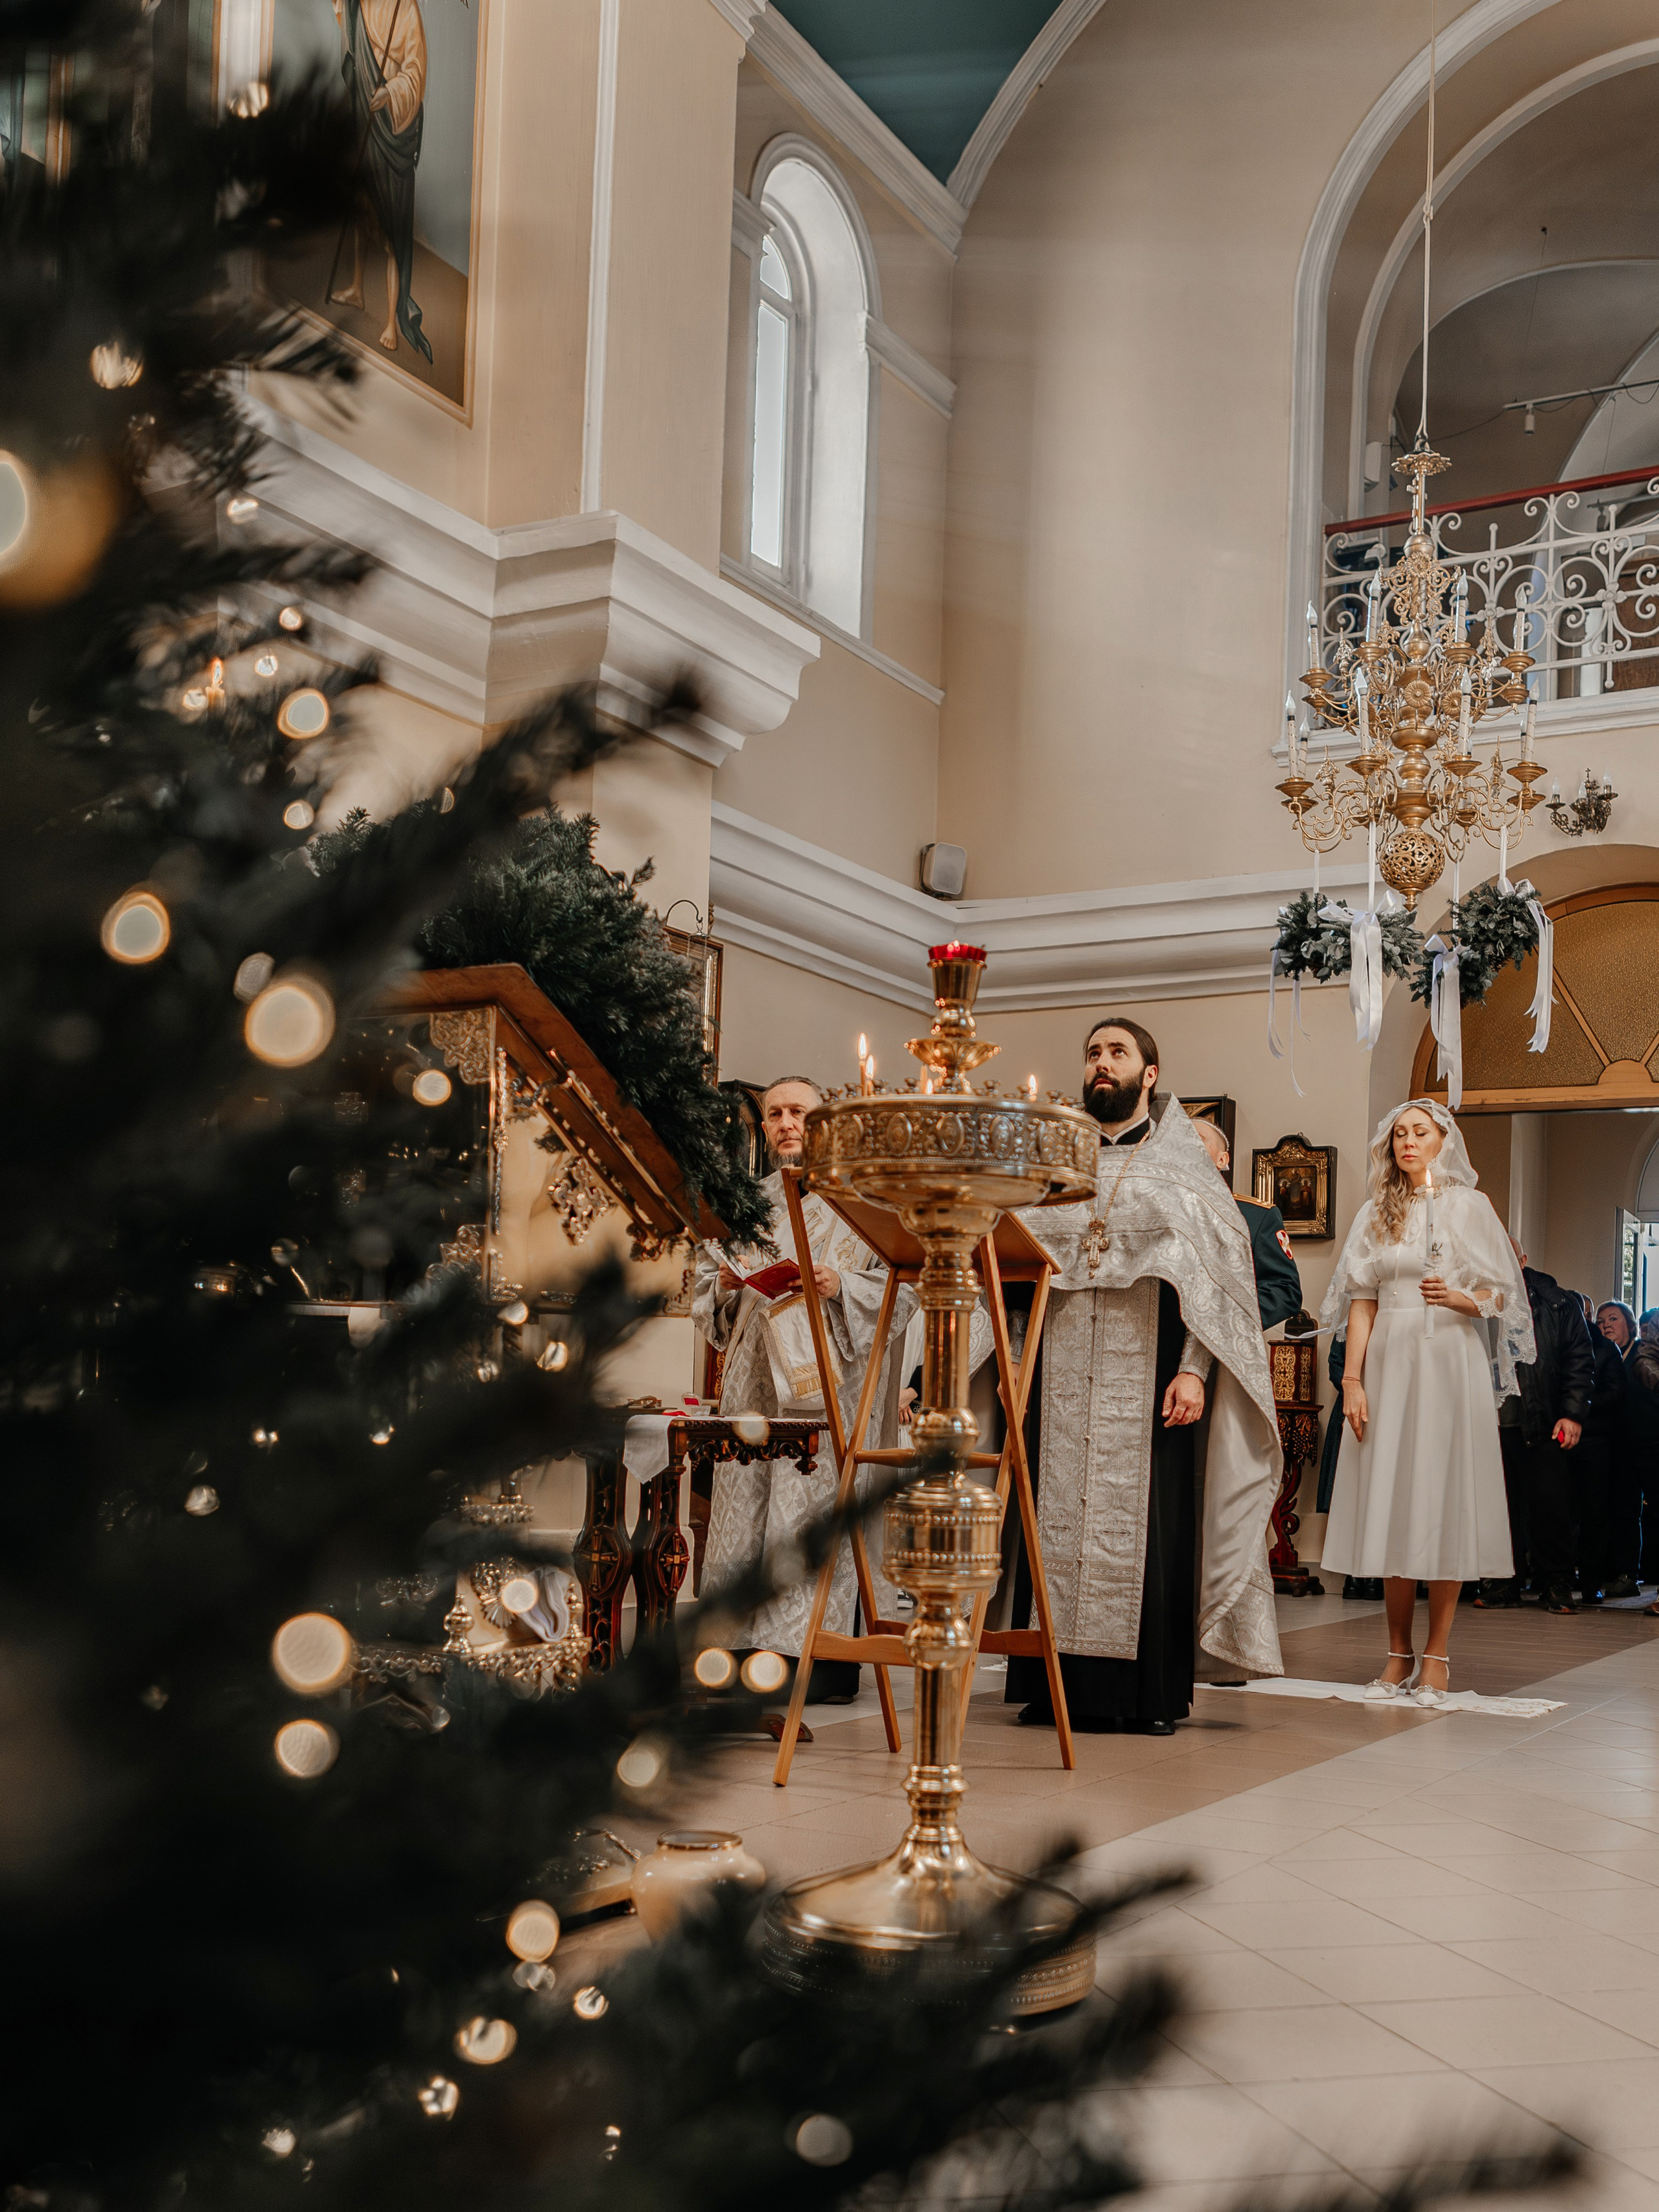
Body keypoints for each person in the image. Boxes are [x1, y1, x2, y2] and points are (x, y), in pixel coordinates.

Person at [1006, 1018, 1283, 1736]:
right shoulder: (1054, 1165)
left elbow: (1216, 1286)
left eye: (1117, 1052)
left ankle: (1146, 1696)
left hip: (1153, 1371)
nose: (1102, 1063)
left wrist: (1194, 1372)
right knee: (1049, 1523)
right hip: (1059, 1374)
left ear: (1149, 1074)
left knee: (1151, 1529)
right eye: (1093, 1053)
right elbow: (1013, 1267)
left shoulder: (1185, 1168)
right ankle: (1051, 1687)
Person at [693, 1077, 910, 1715]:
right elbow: (705, 1294)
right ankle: (730, 1651)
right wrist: (730, 1283)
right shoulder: (746, 1205)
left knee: (803, 1518)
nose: (786, 1122)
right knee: (744, 1516)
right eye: (775, 1114)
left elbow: (904, 1288)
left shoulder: (865, 1199)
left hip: (826, 1391)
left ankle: (809, 1656)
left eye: (799, 1112)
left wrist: (839, 1281)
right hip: (752, 1384)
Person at [1319, 1100, 1531, 1707]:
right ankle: (1396, 1653)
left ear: (1444, 1140)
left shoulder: (1470, 1206)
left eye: (1420, 1132)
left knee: (1439, 1497)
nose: (1408, 1142)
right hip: (1390, 1358)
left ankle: (1436, 1652)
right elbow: (1362, 1301)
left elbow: (1502, 1295)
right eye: (1399, 1134)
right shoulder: (1375, 1212)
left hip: (1448, 1362)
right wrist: (1353, 1380)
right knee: (1392, 1496)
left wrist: (1461, 1298)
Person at [1474, 1243, 1592, 1613]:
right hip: (1485, 1424)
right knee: (1496, 1509)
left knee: (1549, 1507)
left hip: (1539, 1418)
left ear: (1523, 1260)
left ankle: (1557, 1584)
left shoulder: (1558, 1301)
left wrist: (1572, 1414)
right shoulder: (1467, 1295)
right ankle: (1503, 1583)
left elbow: (1579, 1360)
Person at [330, 0, 435, 362]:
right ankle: (357, 288)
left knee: (392, 227)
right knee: (362, 206)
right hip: (363, 111)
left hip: (391, 124)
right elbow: (345, 20)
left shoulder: (407, 9)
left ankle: (390, 321)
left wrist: (390, 93)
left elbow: (416, 70)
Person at [1193, 1118, 1303, 1331]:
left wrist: (1228, 1321)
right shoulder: (1145, 1210)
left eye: (1197, 1138)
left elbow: (1285, 1290)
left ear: (1222, 1159)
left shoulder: (1256, 1216)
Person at [1573, 1290, 1625, 1605]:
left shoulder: (1606, 1349)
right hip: (1561, 1442)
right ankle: (1558, 1579)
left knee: (1594, 1514)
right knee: (1561, 1514)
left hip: (1595, 1441)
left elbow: (1615, 1395)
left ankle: (1591, 1582)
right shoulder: (1557, 1345)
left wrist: (1577, 1409)